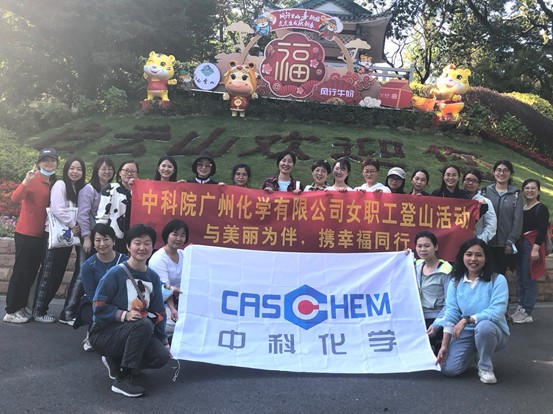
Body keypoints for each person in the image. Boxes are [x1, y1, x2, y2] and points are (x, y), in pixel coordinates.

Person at [89, 224, 170, 398]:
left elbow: (159, 313)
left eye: (147, 243)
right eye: (137, 243)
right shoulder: (115, 273)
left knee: (161, 356)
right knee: (143, 323)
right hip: (105, 333)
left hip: (136, 330)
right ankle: (122, 379)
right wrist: (124, 315)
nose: (142, 248)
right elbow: (97, 305)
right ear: (128, 246)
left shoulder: (153, 277)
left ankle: (116, 360)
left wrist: (164, 341)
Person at [435, 238, 509, 384]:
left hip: (492, 331)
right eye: (469, 254)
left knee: (484, 327)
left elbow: (497, 311)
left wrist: (467, 319)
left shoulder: (497, 280)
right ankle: (473, 354)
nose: (473, 259)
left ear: (486, 258)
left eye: (478, 255)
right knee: (448, 370)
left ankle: (485, 366)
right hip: (465, 332)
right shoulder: (455, 282)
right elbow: (451, 313)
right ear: (462, 257)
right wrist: (444, 345)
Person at [3, 148, 58, 324]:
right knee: (21, 272)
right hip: (26, 233)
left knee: (31, 273)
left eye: (52, 160)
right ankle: (11, 310)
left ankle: (21, 307)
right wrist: (26, 181)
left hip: (41, 234)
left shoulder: (54, 182)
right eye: (45, 160)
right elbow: (15, 198)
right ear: (39, 163)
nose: (49, 163)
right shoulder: (33, 179)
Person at [60, 156, 116, 324]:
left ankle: (81, 311)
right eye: (103, 168)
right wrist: (86, 238)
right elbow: (83, 215)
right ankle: (67, 313)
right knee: (81, 273)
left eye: (110, 168)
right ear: (96, 170)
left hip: (101, 239)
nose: (107, 171)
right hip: (89, 238)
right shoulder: (89, 189)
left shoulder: (111, 189)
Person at [33, 157, 86, 323]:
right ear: (66, 169)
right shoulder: (60, 185)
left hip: (66, 238)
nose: (75, 172)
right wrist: (73, 224)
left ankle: (42, 308)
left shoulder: (78, 188)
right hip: (54, 235)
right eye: (72, 168)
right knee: (48, 274)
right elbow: (57, 209)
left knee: (57, 274)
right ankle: (38, 311)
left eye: (79, 169)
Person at [78, 224, 128, 351]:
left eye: (106, 239)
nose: (102, 244)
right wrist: (106, 308)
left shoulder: (125, 261)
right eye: (98, 240)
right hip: (95, 302)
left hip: (121, 302)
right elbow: (91, 294)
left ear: (114, 241)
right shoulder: (88, 265)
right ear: (93, 243)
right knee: (96, 314)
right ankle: (93, 333)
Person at [511, 179, 550, 324]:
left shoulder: (541, 208)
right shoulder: (522, 208)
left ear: (538, 191)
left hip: (531, 245)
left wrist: (535, 249)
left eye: (533, 188)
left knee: (529, 279)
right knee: (520, 279)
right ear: (523, 191)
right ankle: (521, 307)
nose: (530, 191)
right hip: (521, 244)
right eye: (527, 188)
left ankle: (527, 311)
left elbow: (542, 230)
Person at [481, 160, 523, 274]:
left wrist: (510, 241)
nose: (501, 173)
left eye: (505, 171)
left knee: (499, 276)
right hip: (486, 242)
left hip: (504, 244)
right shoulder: (485, 192)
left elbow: (518, 220)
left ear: (510, 174)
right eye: (498, 170)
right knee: (484, 275)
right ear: (494, 172)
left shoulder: (516, 194)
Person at [414, 231, 452, 353]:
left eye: (427, 246)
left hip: (437, 318)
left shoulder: (446, 270)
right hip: (417, 317)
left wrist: (437, 325)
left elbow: (450, 304)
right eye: (419, 246)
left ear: (435, 247)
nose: (423, 249)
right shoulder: (416, 265)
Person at [149, 219, 188, 336]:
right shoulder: (159, 258)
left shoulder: (184, 254)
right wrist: (172, 309)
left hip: (181, 300)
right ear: (167, 235)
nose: (178, 238)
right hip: (163, 302)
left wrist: (193, 252)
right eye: (175, 234)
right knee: (174, 325)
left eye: (182, 235)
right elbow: (164, 288)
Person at [97, 160, 139, 254]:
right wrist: (101, 235)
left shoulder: (142, 190)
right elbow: (102, 214)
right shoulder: (111, 188)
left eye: (133, 171)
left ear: (137, 174)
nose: (129, 174)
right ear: (120, 172)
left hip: (136, 235)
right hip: (115, 235)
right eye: (126, 170)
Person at [462, 169, 497, 243]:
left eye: (474, 181)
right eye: (468, 180)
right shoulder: (456, 200)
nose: (470, 183)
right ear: (463, 181)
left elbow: (491, 226)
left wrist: (479, 241)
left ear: (479, 184)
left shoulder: (485, 202)